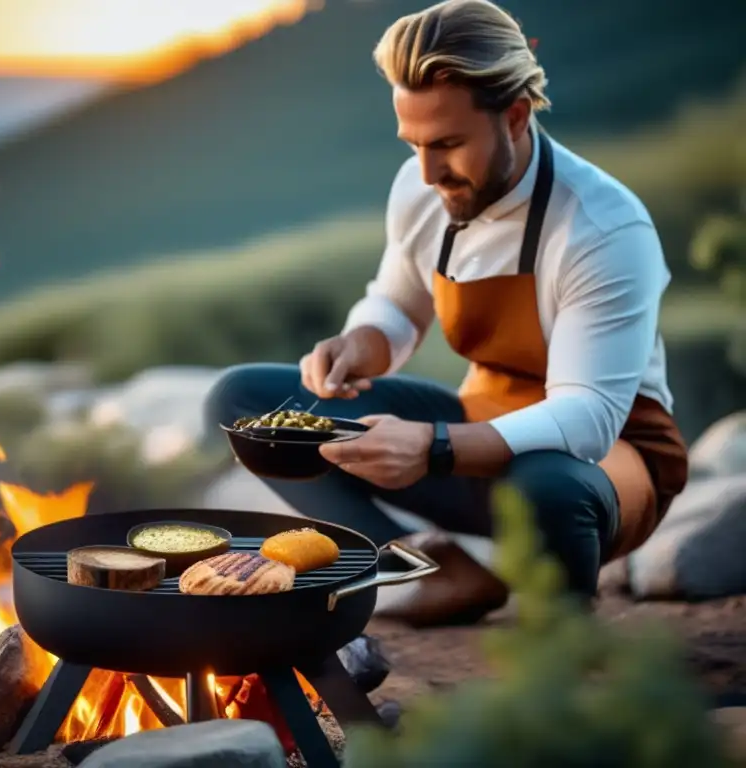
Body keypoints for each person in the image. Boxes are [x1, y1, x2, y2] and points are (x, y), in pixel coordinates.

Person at [203, 0, 688, 626]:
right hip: (471, 439)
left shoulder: (602, 227)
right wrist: (360, 341)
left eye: (450, 145)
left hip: (607, 469)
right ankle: (423, 570)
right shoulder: (422, 187)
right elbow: (398, 303)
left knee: (547, 484)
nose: (429, 172)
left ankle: (559, 641)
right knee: (244, 403)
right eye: (415, 144)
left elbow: (589, 418)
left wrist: (432, 448)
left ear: (514, 117)